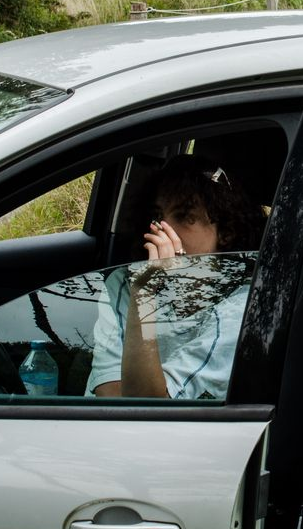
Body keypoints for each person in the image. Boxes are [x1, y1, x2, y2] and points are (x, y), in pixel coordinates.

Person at [88, 155, 266, 399]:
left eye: (184, 216)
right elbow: (109, 392)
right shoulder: (124, 282)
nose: (161, 227)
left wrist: (145, 297)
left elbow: (149, 407)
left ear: (226, 231)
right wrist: (143, 288)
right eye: (156, 214)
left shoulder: (241, 307)